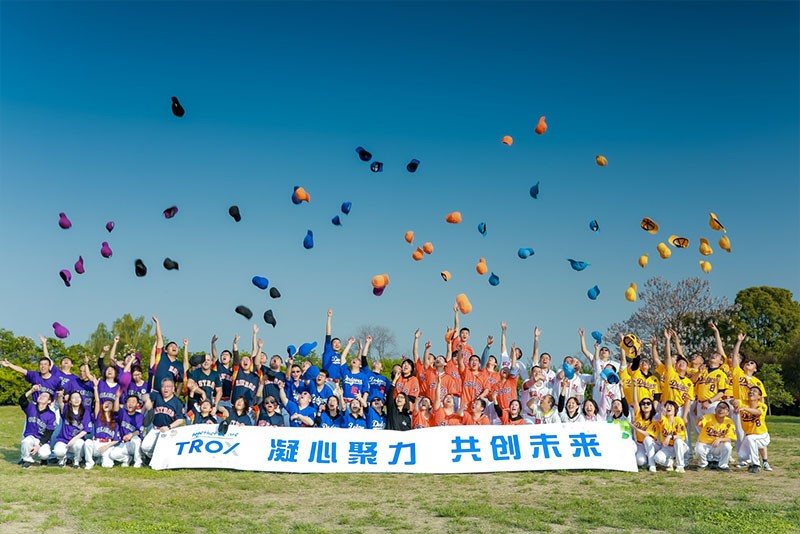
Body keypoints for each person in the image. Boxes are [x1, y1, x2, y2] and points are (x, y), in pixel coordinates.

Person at [84, 377, 127, 469]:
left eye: (109, 403)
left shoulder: (115, 420)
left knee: (107, 466)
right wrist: (95, 388)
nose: (106, 404)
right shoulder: (98, 415)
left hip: (107, 445)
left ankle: (124, 458)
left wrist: (106, 446)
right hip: (96, 443)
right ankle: (89, 462)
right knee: (87, 442)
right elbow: (97, 401)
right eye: (105, 403)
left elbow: (116, 439)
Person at [141, 377, 186, 460]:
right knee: (145, 447)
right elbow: (144, 396)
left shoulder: (177, 402)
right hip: (155, 429)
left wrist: (168, 427)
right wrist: (147, 400)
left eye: (168, 386)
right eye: (163, 386)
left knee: (165, 449)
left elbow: (180, 420)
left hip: (168, 430)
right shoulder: (157, 395)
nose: (165, 389)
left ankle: (161, 459)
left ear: (173, 389)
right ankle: (154, 459)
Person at [18, 385, 55, 468]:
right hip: (30, 436)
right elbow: (21, 400)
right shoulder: (31, 407)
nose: (41, 397)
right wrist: (31, 391)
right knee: (26, 442)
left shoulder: (51, 415)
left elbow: (48, 433)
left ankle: (44, 459)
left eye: (45, 396)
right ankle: (27, 460)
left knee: (45, 454)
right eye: (41, 395)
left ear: (49, 401)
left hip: (42, 439)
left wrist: (38, 446)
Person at [735, 386, 772, 473]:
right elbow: (735, 401)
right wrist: (734, 403)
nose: (751, 392)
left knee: (751, 439)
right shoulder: (743, 402)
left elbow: (758, 412)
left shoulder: (762, 405)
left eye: (754, 391)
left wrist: (745, 409)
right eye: (750, 391)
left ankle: (756, 465)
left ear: (759, 397)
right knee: (742, 456)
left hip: (762, 436)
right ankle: (753, 462)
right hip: (749, 436)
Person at [695, 401, 736, 471]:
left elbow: (730, 438)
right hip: (705, 444)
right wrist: (699, 419)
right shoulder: (708, 417)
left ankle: (723, 466)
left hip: (718, 445)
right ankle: (703, 464)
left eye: (724, 408)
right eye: (719, 407)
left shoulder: (729, 421)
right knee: (698, 449)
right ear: (715, 409)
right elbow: (698, 424)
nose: (721, 410)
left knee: (727, 446)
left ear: (728, 412)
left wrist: (720, 439)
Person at [53, 391, 90, 468]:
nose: (76, 399)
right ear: (70, 401)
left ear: (81, 399)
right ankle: (62, 459)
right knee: (58, 452)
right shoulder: (66, 408)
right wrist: (60, 396)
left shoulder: (85, 412)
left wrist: (74, 439)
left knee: (79, 444)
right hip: (64, 439)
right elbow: (60, 403)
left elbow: (86, 430)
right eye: (73, 397)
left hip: (76, 440)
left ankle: (76, 461)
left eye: (78, 397)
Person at [149, 316, 184, 392]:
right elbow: (159, 338)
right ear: (166, 350)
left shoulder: (179, 365)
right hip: (156, 392)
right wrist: (157, 323)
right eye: (171, 346)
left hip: (169, 394)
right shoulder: (162, 356)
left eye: (176, 346)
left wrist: (177, 396)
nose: (174, 347)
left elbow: (180, 382)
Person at [653, 400, 689, 473]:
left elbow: (681, 436)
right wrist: (660, 411)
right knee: (657, 458)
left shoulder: (679, 420)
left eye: (671, 406)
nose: (668, 407)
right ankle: (670, 463)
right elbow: (660, 418)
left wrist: (670, 437)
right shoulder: (664, 419)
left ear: (675, 410)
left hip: (680, 446)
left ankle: (680, 466)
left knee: (678, 441)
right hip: (667, 447)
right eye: (667, 406)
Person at [187, 353, 222, 418]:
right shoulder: (196, 372)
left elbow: (219, 391)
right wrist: (202, 392)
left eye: (208, 360)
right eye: (204, 360)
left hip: (209, 405)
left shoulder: (215, 374)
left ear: (211, 362)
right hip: (196, 404)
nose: (206, 362)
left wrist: (215, 405)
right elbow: (189, 384)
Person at [632, 387, 659, 472]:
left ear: (652, 406)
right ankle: (649, 459)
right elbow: (635, 401)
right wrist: (635, 386)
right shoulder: (638, 415)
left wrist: (634, 427)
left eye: (648, 403)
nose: (646, 405)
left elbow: (647, 435)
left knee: (647, 439)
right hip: (640, 444)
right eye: (643, 403)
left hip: (652, 444)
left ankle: (652, 464)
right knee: (640, 462)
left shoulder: (655, 418)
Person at [117, 393, 144, 467]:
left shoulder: (140, 416)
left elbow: (139, 431)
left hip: (133, 444)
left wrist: (131, 435)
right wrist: (117, 397)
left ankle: (138, 461)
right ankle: (127, 459)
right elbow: (116, 409)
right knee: (113, 455)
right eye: (129, 401)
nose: (130, 404)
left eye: (133, 402)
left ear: (137, 404)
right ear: (126, 403)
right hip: (123, 443)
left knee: (136, 439)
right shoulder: (122, 412)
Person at [321, 308, 345, 381]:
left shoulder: (341, 356)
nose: (337, 344)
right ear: (331, 345)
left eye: (338, 343)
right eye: (335, 343)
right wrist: (329, 318)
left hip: (337, 381)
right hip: (327, 380)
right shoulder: (328, 351)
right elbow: (328, 334)